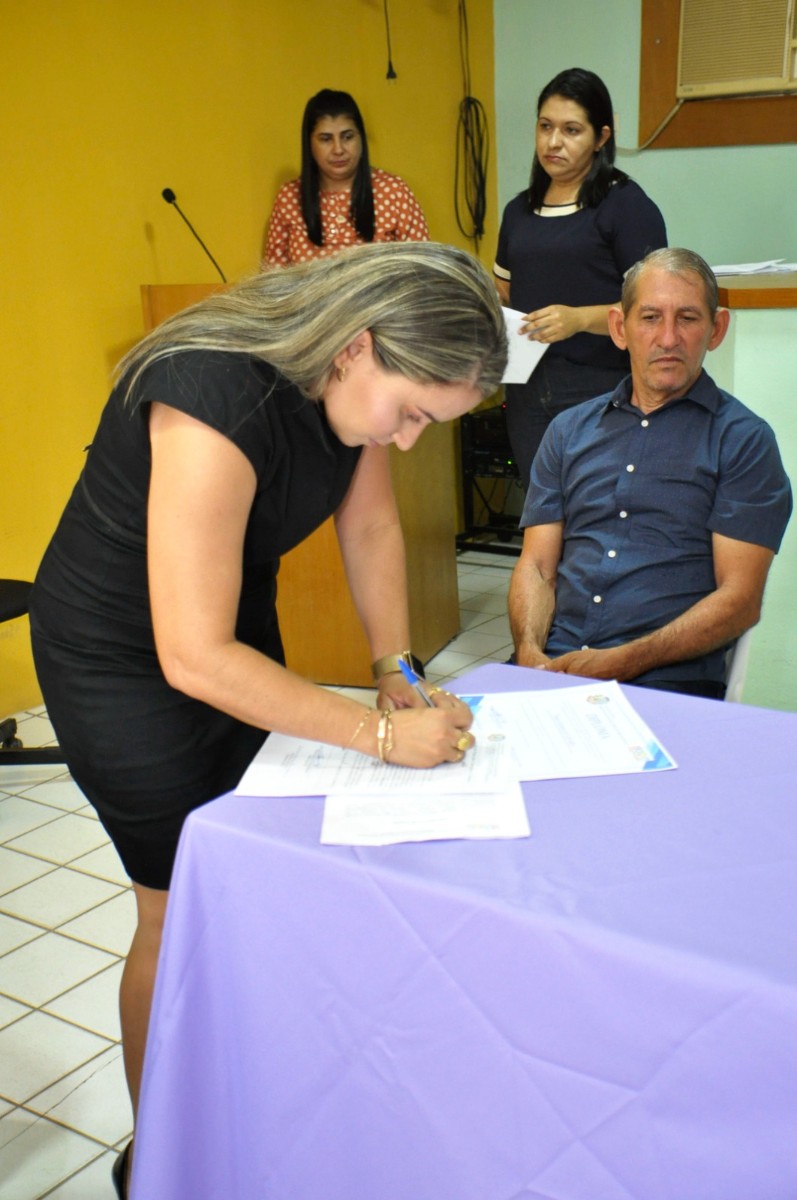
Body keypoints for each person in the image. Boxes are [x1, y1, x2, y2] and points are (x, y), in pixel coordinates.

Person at [29, 240, 507, 1197]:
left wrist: (393, 668)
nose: (409, 439)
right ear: (357, 347)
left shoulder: (341, 383)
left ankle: (244, 1088)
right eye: (412, 412)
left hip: (223, 632)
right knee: (175, 900)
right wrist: (376, 736)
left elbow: (367, 525)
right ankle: (158, 1151)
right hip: (120, 659)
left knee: (248, 868)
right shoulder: (209, 393)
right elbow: (190, 656)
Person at [508, 247, 792, 698]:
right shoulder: (567, 431)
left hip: (666, 680)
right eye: (650, 318)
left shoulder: (743, 442)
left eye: (688, 318)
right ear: (620, 328)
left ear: (716, 330)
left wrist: (618, 663)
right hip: (554, 666)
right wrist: (528, 654)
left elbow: (739, 602)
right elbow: (538, 567)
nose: (668, 338)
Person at [494, 67, 667, 487]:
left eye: (571, 130)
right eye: (545, 127)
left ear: (601, 138)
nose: (554, 142)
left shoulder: (625, 205)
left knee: (602, 508)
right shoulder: (519, 212)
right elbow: (503, 291)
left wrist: (578, 320)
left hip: (602, 385)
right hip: (527, 388)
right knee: (542, 508)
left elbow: (656, 305)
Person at [264, 88, 429, 267]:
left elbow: (424, 270)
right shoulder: (290, 198)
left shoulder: (393, 192)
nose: (338, 149)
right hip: (310, 296)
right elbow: (273, 280)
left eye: (347, 137)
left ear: (361, 138)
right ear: (310, 144)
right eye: (326, 139)